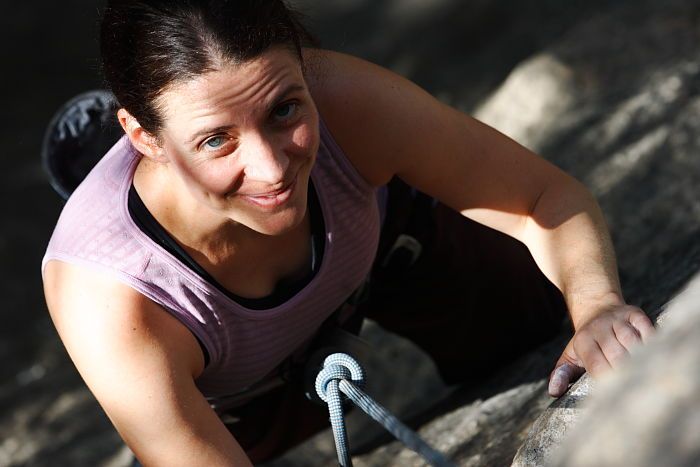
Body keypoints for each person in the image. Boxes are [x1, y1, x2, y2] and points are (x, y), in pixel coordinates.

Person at [41, 0, 655, 465]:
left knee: (529, 322)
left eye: (284, 110)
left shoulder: (343, 98)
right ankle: (97, 155)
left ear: (306, 72)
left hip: (377, 248)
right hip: (238, 381)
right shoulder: (107, 293)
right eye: (216, 138)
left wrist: (597, 304)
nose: (273, 167)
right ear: (143, 136)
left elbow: (544, 198)